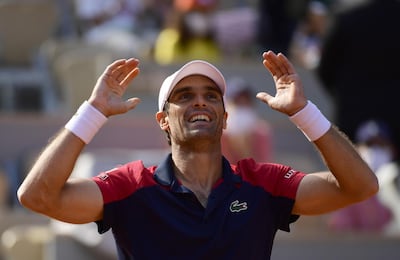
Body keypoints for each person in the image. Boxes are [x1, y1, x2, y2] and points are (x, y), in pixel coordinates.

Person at [17, 51, 378, 259]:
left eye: (210, 95)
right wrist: (93, 112)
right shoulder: (129, 185)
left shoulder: (262, 182)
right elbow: (37, 196)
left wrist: (304, 113)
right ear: (163, 121)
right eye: (184, 96)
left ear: (224, 118)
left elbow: (359, 187)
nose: (200, 100)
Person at [316, 0, 400, 160]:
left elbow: (325, 69)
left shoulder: (347, 17)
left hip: (353, 115)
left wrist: (343, 94)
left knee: (349, 176)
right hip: (396, 115)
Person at [221, 77, 272, 163]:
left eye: (246, 102)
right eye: (238, 102)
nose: (243, 107)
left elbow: (264, 168)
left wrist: (246, 150)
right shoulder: (219, 135)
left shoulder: (262, 132)